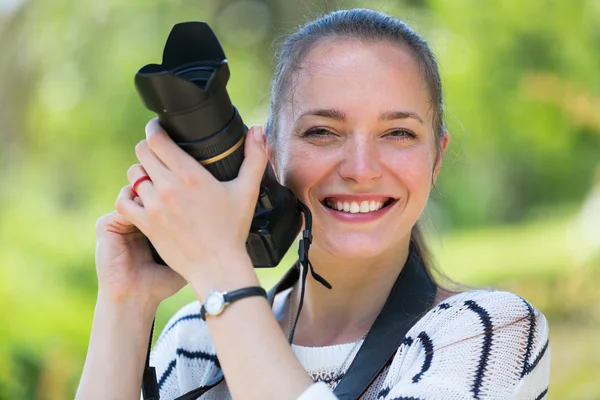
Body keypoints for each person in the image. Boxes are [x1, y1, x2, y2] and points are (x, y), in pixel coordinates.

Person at [76, 8, 550, 400]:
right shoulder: (198, 341)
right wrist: (126, 302)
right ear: (269, 154)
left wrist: (220, 265)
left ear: (436, 159)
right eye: (322, 132)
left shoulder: (486, 333)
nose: (361, 169)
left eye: (398, 133)